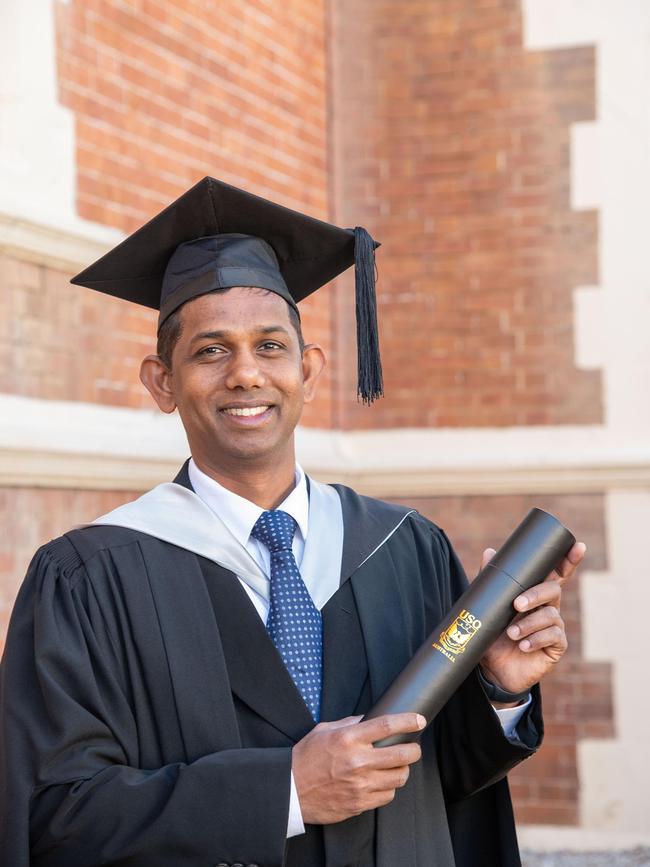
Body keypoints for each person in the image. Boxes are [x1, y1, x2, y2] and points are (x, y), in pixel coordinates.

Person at [0, 177, 585, 867]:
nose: (246, 374)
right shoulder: (89, 579)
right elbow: (54, 815)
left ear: (308, 372)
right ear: (162, 382)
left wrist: (499, 691)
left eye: (270, 346)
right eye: (211, 350)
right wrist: (282, 791)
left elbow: (445, 783)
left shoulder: (405, 549)